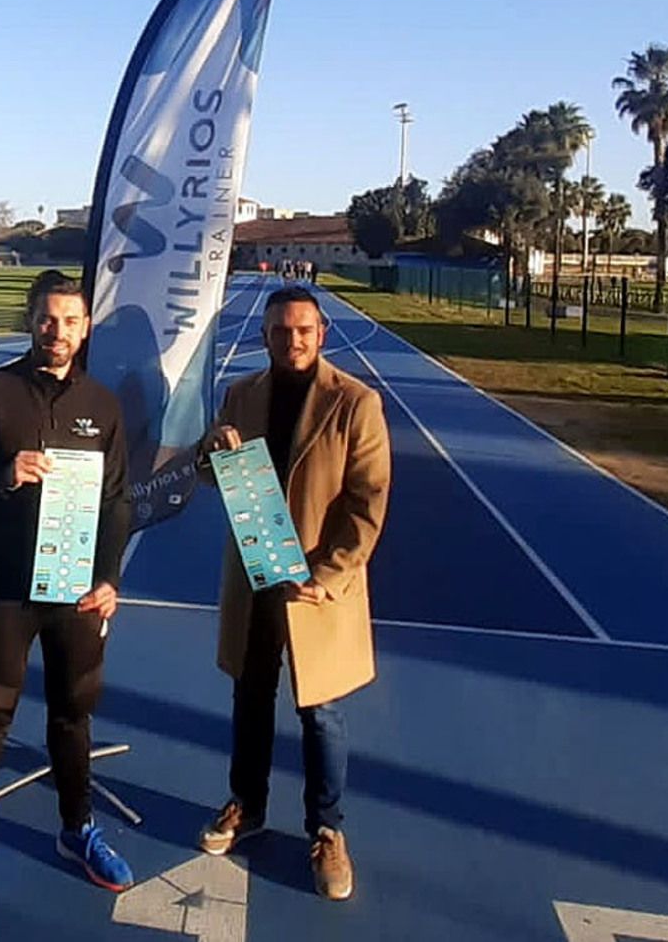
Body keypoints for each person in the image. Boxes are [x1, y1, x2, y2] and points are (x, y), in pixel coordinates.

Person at [0, 269, 134, 918]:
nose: (58, 331)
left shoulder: (103, 405)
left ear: (85, 327)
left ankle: (77, 830)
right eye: (48, 319)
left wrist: (109, 577)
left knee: (74, 717)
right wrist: (1, 473)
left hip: (75, 594)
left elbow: (117, 501)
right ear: (31, 321)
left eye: (70, 320)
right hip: (7, 591)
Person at [193, 285, 391, 902]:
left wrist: (328, 575)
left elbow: (367, 501)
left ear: (322, 334)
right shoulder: (241, 395)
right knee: (250, 695)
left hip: (314, 589)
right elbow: (208, 473)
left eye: (303, 330)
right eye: (281, 331)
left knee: (321, 712)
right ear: (266, 337)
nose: (292, 340)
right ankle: (245, 806)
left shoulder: (356, 403)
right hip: (255, 576)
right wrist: (211, 452)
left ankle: (327, 831)